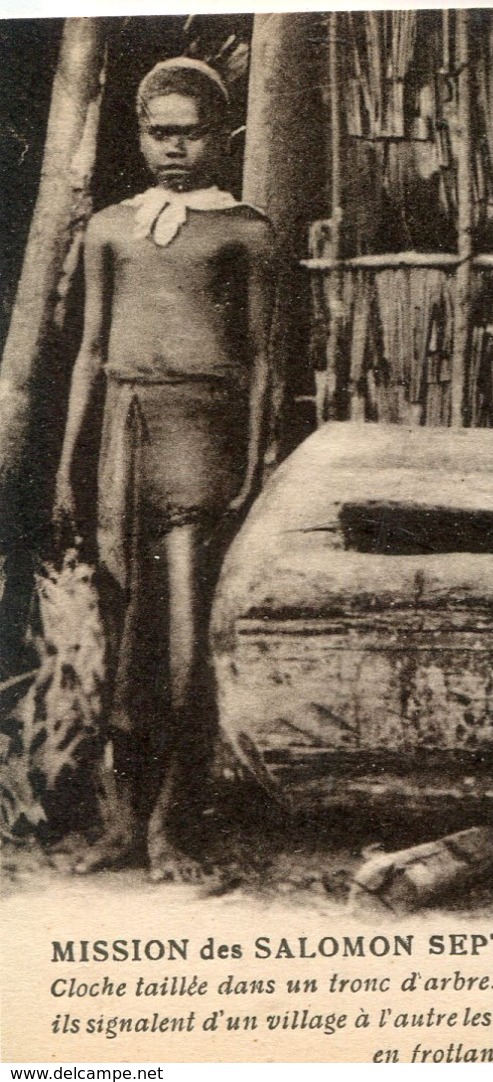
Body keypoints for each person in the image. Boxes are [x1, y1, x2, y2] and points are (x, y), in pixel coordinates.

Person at [53, 58, 275, 881]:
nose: (174, 149)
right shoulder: (110, 227)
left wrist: (252, 463)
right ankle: (124, 824)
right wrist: (68, 469)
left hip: (200, 440)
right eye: (159, 133)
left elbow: (260, 363)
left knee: (184, 648)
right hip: (122, 436)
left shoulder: (246, 232)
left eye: (192, 134)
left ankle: (177, 830)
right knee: (118, 642)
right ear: (140, 135)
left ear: (222, 139)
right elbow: (89, 353)